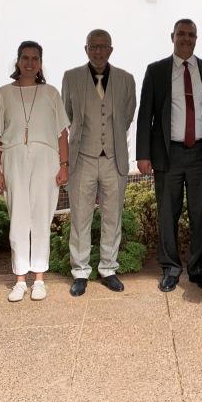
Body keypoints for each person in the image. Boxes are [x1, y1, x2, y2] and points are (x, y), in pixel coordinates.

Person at [136, 19, 202, 293]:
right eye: (181, 34)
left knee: (200, 213)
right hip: (168, 153)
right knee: (168, 212)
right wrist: (143, 154)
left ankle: (198, 268)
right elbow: (145, 116)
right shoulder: (157, 71)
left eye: (191, 35)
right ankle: (170, 268)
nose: (186, 39)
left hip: (201, 153)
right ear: (172, 36)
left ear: (196, 38)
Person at [0, 41, 70, 302]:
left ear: (40, 63)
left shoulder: (50, 92)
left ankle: (38, 279)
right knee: (19, 219)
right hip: (14, 158)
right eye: (25, 58)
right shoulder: (4, 93)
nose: (29, 63)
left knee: (41, 219)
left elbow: (62, 132)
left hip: (46, 159)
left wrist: (64, 165)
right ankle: (20, 280)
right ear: (17, 61)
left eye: (35, 58)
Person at [60, 29, 135, 297]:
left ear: (111, 50)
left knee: (112, 216)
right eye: (94, 46)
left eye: (103, 46)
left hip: (114, 159)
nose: (98, 51)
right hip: (83, 159)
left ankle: (108, 268)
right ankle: (80, 271)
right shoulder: (71, 77)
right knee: (80, 216)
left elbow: (127, 116)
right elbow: (67, 114)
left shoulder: (127, 79)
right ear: (86, 48)